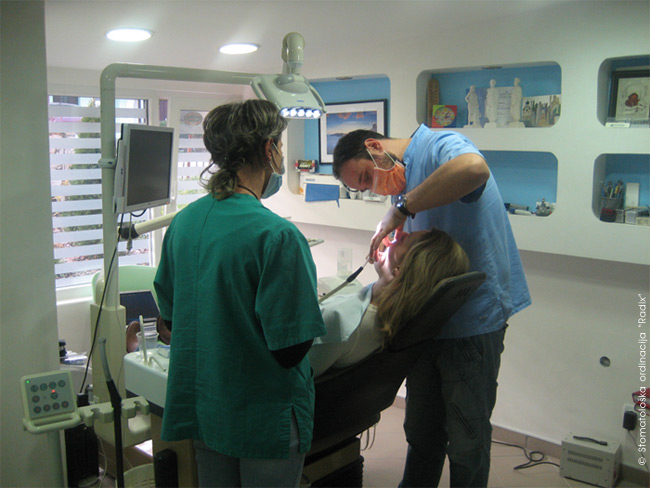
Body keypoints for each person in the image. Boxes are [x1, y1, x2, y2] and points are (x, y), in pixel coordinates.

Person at [332, 126, 531, 487]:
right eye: (363, 188)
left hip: (472, 317)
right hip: (427, 320)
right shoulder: (402, 182)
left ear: (374, 147)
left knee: (467, 438)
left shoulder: (439, 146)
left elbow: (473, 170)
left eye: (366, 178)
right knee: (422, 430)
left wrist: (401, 210)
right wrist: (388, 268)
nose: (373, 189)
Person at [154, 99, 326, 488]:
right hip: (263, 419)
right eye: (279, 144)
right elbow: (290, 350)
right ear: (269, 149)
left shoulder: (183, 224)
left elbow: (172, 321)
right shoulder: (277, 235)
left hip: (209, 409)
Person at [310, 228, 469, 377]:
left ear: (399, 269)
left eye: (403, 240)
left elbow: (297, 376)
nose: (398, 234)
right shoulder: (401, 320)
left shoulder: (339, 319)